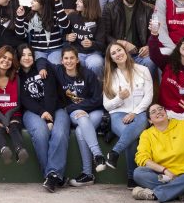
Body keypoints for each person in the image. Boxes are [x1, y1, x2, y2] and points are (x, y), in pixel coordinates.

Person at [17, 44, 69, 192]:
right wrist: (42, 113)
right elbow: (24, 99)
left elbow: (51, 93)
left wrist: (49, 117)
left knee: (60, 133)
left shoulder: (43, 67)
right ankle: (53, 175)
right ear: (18, 57)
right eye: (23, 55)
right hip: (32, 111)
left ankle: (51, 175)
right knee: (40, 133)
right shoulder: (17, 75)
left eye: (29, 55)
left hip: (55, 108)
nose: (27, 58)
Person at [52, 47, 106, 186]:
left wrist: (82, 108)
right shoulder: (58, 71)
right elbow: (41, 61)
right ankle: (98, 155)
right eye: (66, 58)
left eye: (72, 58)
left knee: (80, 130)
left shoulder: (88, 74)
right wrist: (75, 109)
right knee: (81, 118)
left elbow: (98, 100)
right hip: (75, 113)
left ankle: (88, 174)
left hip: (94, 110)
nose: (69, 61)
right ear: (61, 60)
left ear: (77, 60)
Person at [102, 42, 153, 187]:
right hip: (118, 114)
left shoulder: (143, 70)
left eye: (119, 50)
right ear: (111, 59)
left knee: (133, 130)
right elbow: (107, 105)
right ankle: (132, 177)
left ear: (125, 51)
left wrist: (134, 113)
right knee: (130, 135)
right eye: (113, 53)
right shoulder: (110, 76)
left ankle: (115, 153)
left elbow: (148, 96)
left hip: (139, 112)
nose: (118, 54)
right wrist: (119, 98)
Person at [97, 0, 156, 74]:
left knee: (150, 62)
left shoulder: (148, 9)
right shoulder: (109, 8)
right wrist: (121, 43)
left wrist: (148, 46)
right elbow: (104, 35)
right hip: (117, 53)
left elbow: (153, 34)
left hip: (139, 54)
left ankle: (144, 85)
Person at [0, 46, 29, 165]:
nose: (6, 61)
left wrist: (7, 117)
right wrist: (3, 120)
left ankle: (20, 150)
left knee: (14, 126)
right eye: (4, 57)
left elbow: (18, 103)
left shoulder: (15, 77)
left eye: (10, 59)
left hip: (12, 112)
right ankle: (4, 150)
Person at [148, 26, 184, 117]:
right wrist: (154, 35)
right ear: (179, 46)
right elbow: (154, 54)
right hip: (166, 113)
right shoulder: (167, 62)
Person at [15, 0, 70, 65]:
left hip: (55, 49)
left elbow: (65, 25)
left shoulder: (54, 15)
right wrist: (19, 17)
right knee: (40, 67)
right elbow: (21, 35)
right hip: (37, 50)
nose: (31, 2)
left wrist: (58, 3)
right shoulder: (30, 16)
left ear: (43, 3)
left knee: (54, 66)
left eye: (34, 0)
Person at [66, 0, 105, 77]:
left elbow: (102, 44)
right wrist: (67, 37)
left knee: (96, 64)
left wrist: (92, 43)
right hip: (76, 52)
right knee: (71, 63)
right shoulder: (72, 16)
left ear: (89, 4)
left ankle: (97, 85)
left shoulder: (99, 21)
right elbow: (63, 34)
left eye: (80, 1)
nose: (76, 3)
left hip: (93, 53)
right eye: (77, 0)